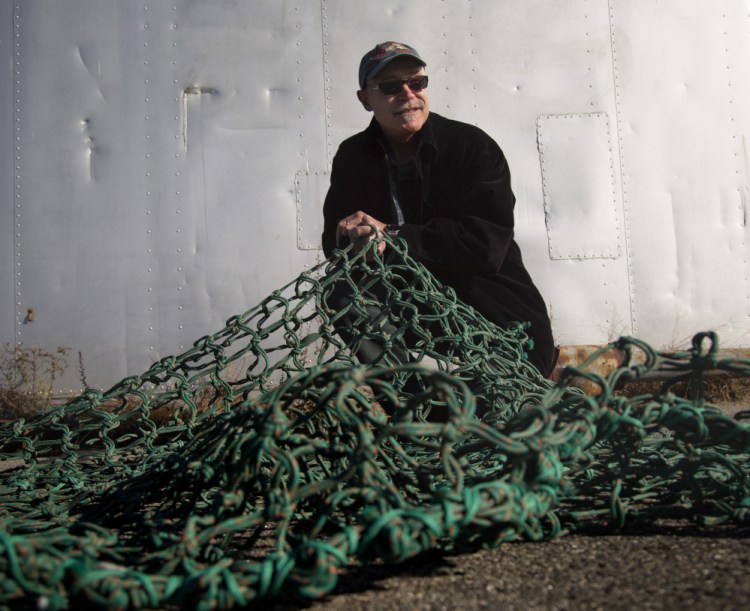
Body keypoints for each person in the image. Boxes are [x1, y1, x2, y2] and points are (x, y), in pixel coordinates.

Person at [321, 41, 556, 377]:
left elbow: (485, 246)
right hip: (414, 309)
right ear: (365, 100)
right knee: (342, 289)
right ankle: (411, 409)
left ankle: (493, 391)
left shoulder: (472, 148)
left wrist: (393, 236)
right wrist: (352, 236)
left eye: (416, 82)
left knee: (494, 414)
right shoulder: (353, 157)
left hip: (499, 321)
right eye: (389, 87)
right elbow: (335, 244)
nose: (407, 93)